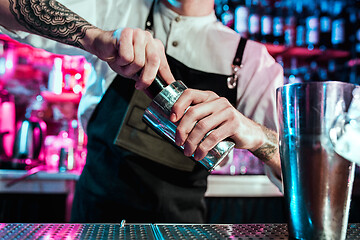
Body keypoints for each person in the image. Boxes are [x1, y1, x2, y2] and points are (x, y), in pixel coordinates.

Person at [0, 0, 283, 223]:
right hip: (95, 223)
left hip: (179, 230)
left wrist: (257, 135)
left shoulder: (250, 61)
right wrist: (92, 36)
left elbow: (306, 179)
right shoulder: (115, 8)